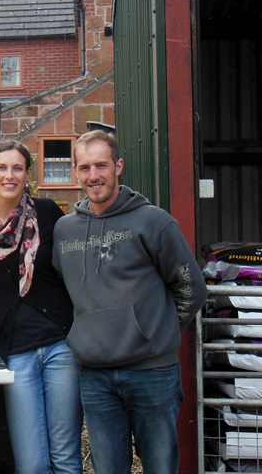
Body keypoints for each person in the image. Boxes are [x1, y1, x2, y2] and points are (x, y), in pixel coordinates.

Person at [52, 130, 208, 474]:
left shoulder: (153, 222)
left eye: (102, 165)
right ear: (75, 171)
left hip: (151, 372)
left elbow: (191, 288)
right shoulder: (65, 230)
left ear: (118, 166)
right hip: (95, 375)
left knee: (159, 466)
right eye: (85, 167)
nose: (94, 176)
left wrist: (155, 332)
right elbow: (64, 291)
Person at [0, 140, 82, 474]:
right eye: (2, 168)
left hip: (60, 344)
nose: (9, 175)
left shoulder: (48, 212)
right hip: (17, 349)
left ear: (28, 174)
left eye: (17, 168)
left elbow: (73, 269)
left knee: (66, 458)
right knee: (32, 464)